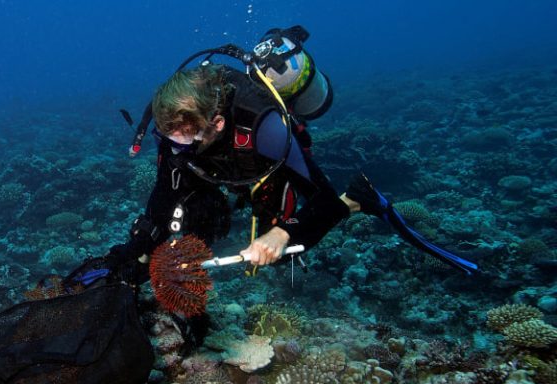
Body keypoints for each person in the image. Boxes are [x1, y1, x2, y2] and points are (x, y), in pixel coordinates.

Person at [104, 63, 477, 285]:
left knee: (276, 251)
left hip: (266, 167)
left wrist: (281, 233)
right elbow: (164, 193)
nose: (174, 146)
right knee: (196, 222)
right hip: (218, 165)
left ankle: (361, 200)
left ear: (216, 123)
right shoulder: (177, 132)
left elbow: (321, 200)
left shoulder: (264, 128)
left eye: (184, 138)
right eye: (167, 137)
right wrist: (139, 247)